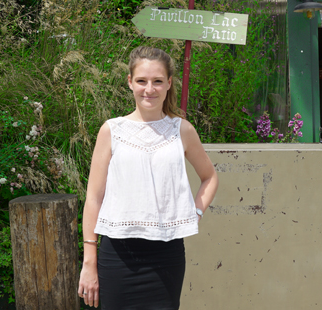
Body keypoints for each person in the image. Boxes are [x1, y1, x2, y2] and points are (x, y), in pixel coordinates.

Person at [77, 46, 219, 309]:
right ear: (130, 82)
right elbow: (94, 199)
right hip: (117, 255)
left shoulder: (182, 130)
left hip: (167, 255)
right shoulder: (111, 130)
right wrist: (89, 263)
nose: (149, 89)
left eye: (157, 81)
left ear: (169, 83)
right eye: (141, 81)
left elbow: (210, 177)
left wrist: (194, 212)